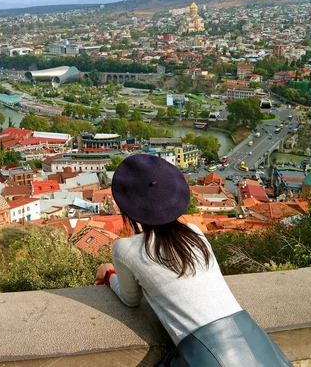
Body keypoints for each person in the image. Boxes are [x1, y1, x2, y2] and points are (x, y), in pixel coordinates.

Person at [95, 154, 292, 367]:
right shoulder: (194, 232)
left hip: (208, 355)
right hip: (252, 340)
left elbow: (130, 299)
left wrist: (110, 273)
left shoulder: (126, 248)